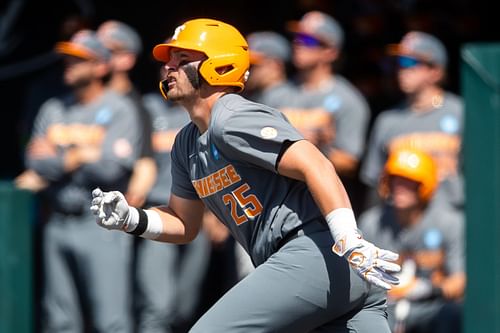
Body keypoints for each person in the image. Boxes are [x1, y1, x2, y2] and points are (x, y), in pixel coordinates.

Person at [90, 18, 400, 333]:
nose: (168, 67)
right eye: (169, 59)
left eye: (182, 59)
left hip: (315, 252)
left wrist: (348, 236)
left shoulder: (231, 116)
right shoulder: (186, 142)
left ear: (220, 67)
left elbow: (316, 164)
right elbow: (185, 223)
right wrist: (130, 219)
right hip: (326, 269)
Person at [16, 29, 142, 332]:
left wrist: (59, 154)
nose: (69, 65)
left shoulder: (120, 108)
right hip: (57, 220)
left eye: (79, 60)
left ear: (100, 66)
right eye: (68, 59)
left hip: (100, 222)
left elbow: (111, 169)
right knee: (59, 320)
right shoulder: (53, 108)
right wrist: (79, 155)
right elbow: (34, 162)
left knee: (110, 320)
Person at [358, 148, 465, 333]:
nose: (400, 187)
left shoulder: (450, 222)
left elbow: (459, 280)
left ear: (426, 184)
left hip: (429, 306)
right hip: (383, 306)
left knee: (452, 314)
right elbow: (355, 277)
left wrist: (429, 289)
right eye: (395, 180)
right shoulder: (371, 223)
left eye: (409, 182)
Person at [133, 89, 211, 332]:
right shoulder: (147, 106)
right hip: (160, 209)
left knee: (185, 306)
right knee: (158, 305)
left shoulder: (209, 110)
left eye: (180, 61)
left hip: (202, 214)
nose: (170, 69)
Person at [360, 31, 463, 211]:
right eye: (398, 63)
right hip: (399, 227)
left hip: (451, 221)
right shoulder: (387, 121)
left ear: (435, 71)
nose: (401, 70)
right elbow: (374, 186)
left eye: (409, 62)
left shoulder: (460, 112)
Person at [282, 11, 371, 179]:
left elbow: (350, 161)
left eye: (308, 40)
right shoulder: (275, 92)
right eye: (297, 37)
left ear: (330, 51)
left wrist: (320, 147)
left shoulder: (348, 99)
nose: (298, 44)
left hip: (316, 198)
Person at [96, 20, 157, 209]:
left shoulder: (137, 107)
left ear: (127, 59)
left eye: (108, 51)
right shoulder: (76, 100)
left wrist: (128, 208)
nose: (98, 56)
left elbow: (145, 162)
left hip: (109, 208)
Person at [243, 31, 297, 108]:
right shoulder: (257, 94)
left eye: (253, 65)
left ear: (276, 65)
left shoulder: (287, 99)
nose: (247, 70)